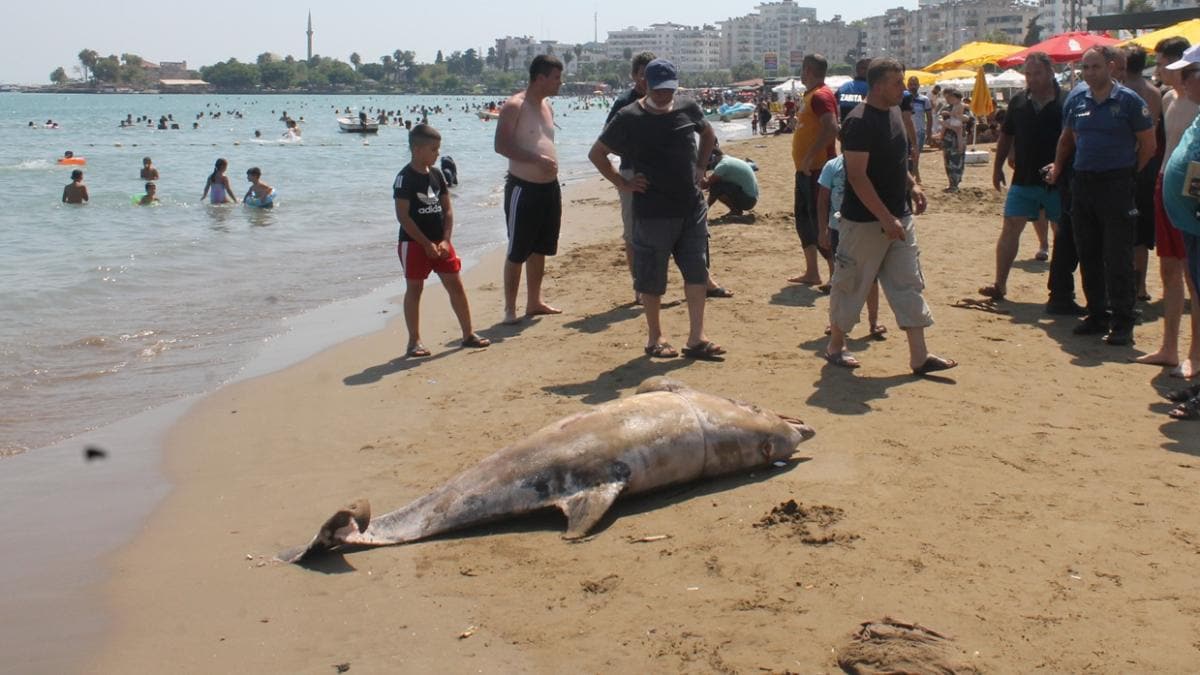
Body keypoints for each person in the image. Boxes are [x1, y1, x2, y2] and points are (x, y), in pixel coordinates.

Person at [823, 57, 955, 375]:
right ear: (880, 84)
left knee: (908, 284)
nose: (904, 88)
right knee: (850, 284)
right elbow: (856, 176)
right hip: (864, 222)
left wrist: (913, 186)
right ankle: (836, 345)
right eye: (898, 82)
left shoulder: (894, 113)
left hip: (899, 216)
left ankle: (919, 357)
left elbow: (896, 164)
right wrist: (884, 217)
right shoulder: (859, 121)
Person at [589, 58, 725, 360]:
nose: (665, 95)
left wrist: (701, 166)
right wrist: (621, 183)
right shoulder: (629, 116)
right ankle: (655, 338)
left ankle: (696, 337)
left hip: (691, 206)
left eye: (670, 89)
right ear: (645, 85)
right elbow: (597, 153)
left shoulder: (687, 107)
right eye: (659, 89)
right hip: (652, 211)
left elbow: (708, 133)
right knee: (651, 276)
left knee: (696, 270)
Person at [1046, 46, 1155, 346]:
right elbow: (1067, 139)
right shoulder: (1077, 100)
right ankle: (1097, 314)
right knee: (1088, 252)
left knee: (1118, 255)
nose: (1089, 72)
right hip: (1082, 183)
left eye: (1095, 67)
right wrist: (1057, 167)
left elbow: (1148, 144)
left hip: (1117, 184)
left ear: (1110, 67)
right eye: (1085, 67)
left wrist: (1129, 174)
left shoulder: (1129, 101)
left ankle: (1122, 321)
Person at [393, 124, 490, 358]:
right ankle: (414, 340)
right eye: (433, 149)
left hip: (442, 242)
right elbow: (403, 216)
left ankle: (468, 333)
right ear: (417, 149)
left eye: (438, 149)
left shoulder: (437, 175)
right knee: (415, 289)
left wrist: (446, 240)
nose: (437, 154)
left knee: (455, 284)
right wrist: (426, 244)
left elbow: (447, 210)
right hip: (414, 243)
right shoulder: (404, 179)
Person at [980, 52, 1066, 302]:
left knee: (1063, 235)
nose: (1032, 79)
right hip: (1024, 178)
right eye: (1028, 74)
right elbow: (1006, 136)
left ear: (1051, 72)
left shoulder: (1068, 101)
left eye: (1037, 73)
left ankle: (1061, 290)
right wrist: (997, 168)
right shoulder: (1018, 102)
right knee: (1010, 229)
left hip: (1059, 181)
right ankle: (1000, 284)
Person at [1139, 37, 1200, 376]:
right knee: (1168, 271)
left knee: (1194, 276)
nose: (1159, 69)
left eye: (1164, 63)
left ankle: (1195, 353)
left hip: (1192, 198)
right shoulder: (1167, 99)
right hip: (1166, 187)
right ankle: (1169, 347)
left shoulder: (1196, 102)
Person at [494, 54, 564, 325]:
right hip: (523, 188)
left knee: (541, 247)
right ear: (540, 78)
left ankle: (534, 301)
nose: (560, 83)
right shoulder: (515, 106)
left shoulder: (547, 106)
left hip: (549, 188)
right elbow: (501, 146)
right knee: (518, 249)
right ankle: (510, 309)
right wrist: (537, 160)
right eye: (556, 77)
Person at [604, 51, 656, 303]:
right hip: (631, 172)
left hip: (662, 173)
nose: (646, 80)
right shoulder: (624, 103)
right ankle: (639, 286)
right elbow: (606, 142)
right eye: (642, 74)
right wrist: (634, 151)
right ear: (634, 75)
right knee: (632, 232)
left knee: (662, 228)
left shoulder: (664, 98)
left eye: (651, 74)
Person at [816, 153, 885, 340]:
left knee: (871, 276)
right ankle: (836, 321)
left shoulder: (870, 163)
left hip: (867, 227)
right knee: (841, 277)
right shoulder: (832, 165)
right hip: (838, 228)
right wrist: (823, 230)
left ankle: (873, 321)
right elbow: (822, 201)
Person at [789, 54, 839, 286]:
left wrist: (809, 156)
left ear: (807, 70)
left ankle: (833, 274)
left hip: (819, 170)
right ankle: (812, 272)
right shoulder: (811, 95)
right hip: (806, 170)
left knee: (821, 222)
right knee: (804, 221)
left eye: (802, 69)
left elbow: (831, 127)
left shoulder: (821, 95)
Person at [1122, 46, 1164, 302]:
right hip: (1148, 164)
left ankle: (1124, 284)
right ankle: (1140, 287)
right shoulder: (1155, 92)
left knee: (1120, 228)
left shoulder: (1120, 91)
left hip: (1123, 164)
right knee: (1142, 232)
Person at [706, 147, 758, 216]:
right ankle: (705, 210)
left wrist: (702, 168)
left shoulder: (723, 165)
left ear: (713, 157)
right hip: (752, 198)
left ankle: (704, 211)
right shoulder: (728, 159)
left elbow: (705, 184)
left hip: (748, 201)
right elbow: (711, 179)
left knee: (716, 187)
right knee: (717, 185)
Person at [905, 76, 932, 182]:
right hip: (906, 131)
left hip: (919, 132)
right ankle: (914, 176)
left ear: (919, 86)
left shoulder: (924, 100)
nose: (913, 86)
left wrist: (929, 134)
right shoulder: (903, 99)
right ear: (907, 85)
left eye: (915, 84)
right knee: (907, 155)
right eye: (911, 84)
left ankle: (915, 175)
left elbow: (929, 118)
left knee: (916, 155)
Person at [940, 88, 967, 192]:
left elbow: (969, 118)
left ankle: (955, 184)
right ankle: (952, 184)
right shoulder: (947, 107)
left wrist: (952, 121)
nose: (947, 99)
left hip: (957, 136)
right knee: (948, 161)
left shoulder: (962, 106)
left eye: (949, 97)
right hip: (948, 139)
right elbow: (941, 118)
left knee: (956, 160)